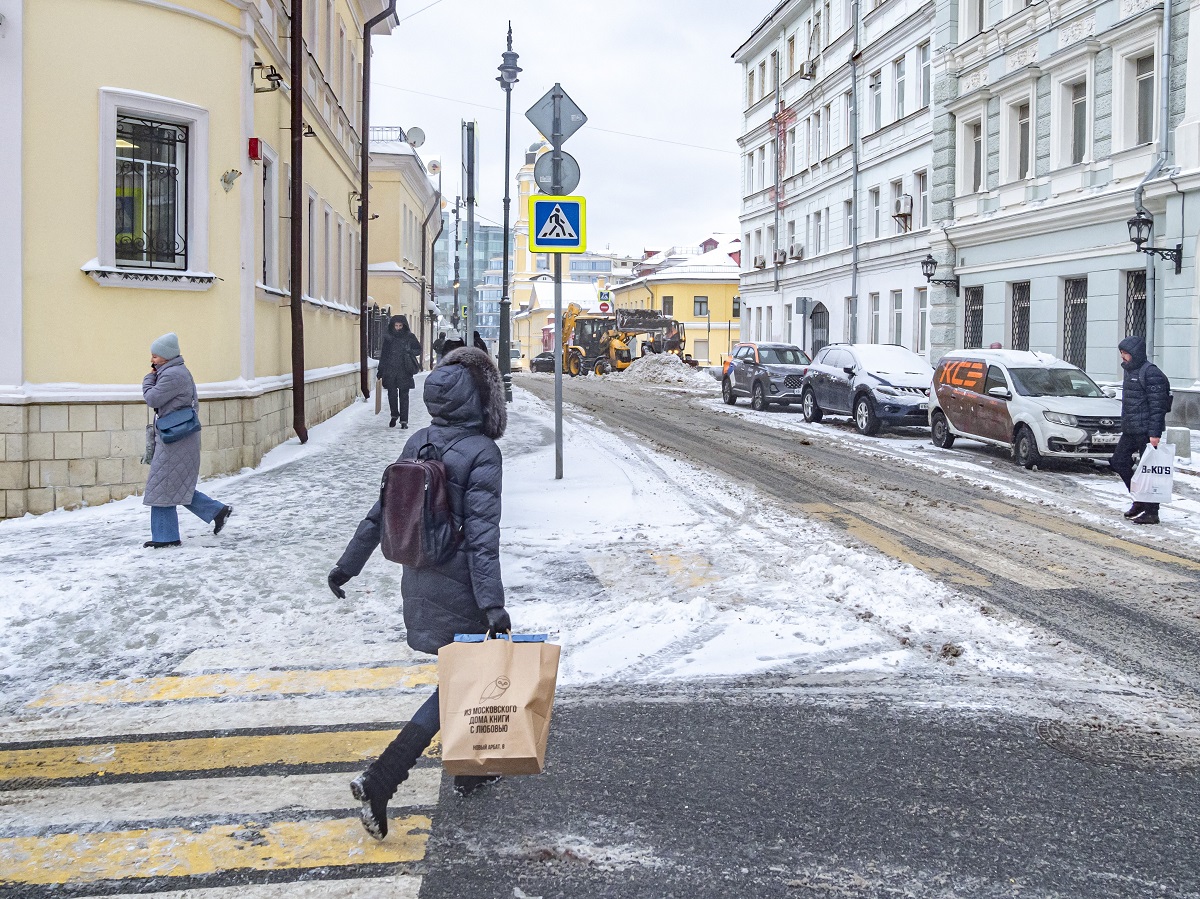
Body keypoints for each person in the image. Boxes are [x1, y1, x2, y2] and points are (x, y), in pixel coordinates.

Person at [327, 346, 511, 839]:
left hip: (418, 576)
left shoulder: (418, 441)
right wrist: (493, 605)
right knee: (461, 683)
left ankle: (470, 773)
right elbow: (481, 539)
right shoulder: (482, 453)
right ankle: (381, 778)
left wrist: (346, 568)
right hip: (462, 585)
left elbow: (378, 513)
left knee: (462, 676)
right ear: (484, 399)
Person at [141, 333, 232, 548]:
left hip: (176, 439)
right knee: (171, 484)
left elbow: (152, 398)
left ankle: (166, 537)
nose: (152, 360)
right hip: (175, 436)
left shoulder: (173, 375)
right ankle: (217, 511)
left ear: (166, 356)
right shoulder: (174, 372)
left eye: (155, 356)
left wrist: (148, 379)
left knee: (162, 487)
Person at [1111, 335, 1171, 525]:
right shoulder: (1130, 371)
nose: (1123, 357)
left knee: (1150, 471)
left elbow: (1158, 406)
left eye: (1125, 353)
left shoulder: (1150, 372)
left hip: (1146, 431)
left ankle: (1152, 512)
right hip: (1130, 428)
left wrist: (1155, 434)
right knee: (1119, 461)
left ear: (1135, 353)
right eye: (1121, 353)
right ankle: (1139, 499)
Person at [376, 315, 422, 428]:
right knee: (392, 395)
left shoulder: (409, 337)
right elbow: (384, 355)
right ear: (392, 326)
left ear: (404, 325)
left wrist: (410, 351)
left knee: (404, 395)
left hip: (404, 369)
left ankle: (404, 421)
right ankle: (394, 415)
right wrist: (380, 370)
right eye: (396, 325)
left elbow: (418, 350)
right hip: (390, 370)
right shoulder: (388, 338)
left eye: (400, 325)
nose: (398, 328)